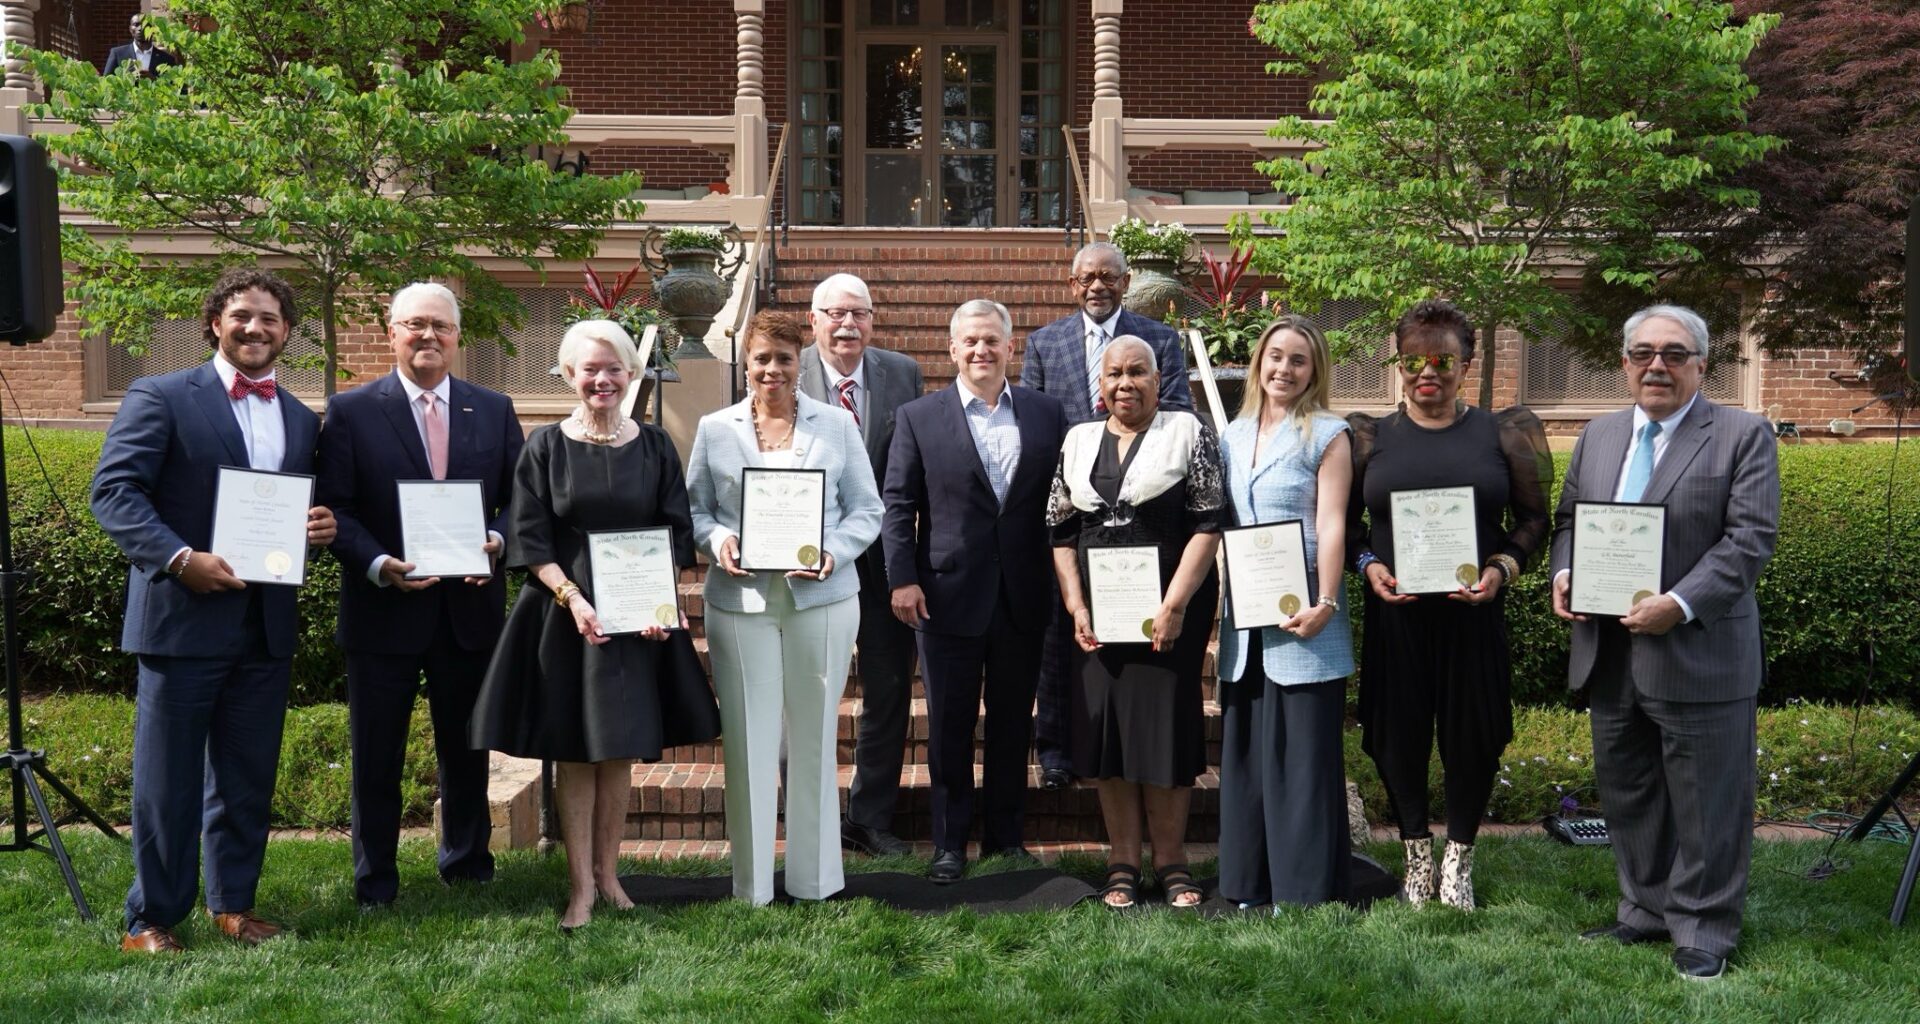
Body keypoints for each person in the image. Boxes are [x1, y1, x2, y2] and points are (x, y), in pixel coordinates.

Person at [91, 269, 338, 953]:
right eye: (241, 316)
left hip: (264, 626)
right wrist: (178, 559)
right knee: (166, 781)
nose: (255, 328)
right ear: (214, 323)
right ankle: (152, 917)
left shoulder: (298, 417)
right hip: (181, 619)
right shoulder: (162, 395)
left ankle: (233, 904)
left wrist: (317, 528)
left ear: (287, 331)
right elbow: (115, 493)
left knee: (245, 775)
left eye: (268, 317)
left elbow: (287, 511)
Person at [469, 319, 720, 932]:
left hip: (638, 618)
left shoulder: (657, 445)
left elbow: (674, 531)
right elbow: (530, 540)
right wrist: (575, 599)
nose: (602, 379)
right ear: (569, 375)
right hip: (565, 616)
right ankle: (579, 887)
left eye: (614, 368)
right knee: (577, 752)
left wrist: (661, 606)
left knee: (619, 749)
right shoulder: (544, 447)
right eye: (590, 369)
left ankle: (611, 876)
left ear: (631, 373)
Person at [1552, 305, 1779, 980]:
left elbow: (1749, 540)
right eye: (1644, 353)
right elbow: (1570, 519)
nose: (1658, 365)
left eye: (1675, 354)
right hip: (1609, 648)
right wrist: (1566, 571)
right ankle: (1645, 911)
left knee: (1709, 802)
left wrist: (1677, 605)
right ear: (1624, 364)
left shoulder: (1742, 434)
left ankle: (1704, 928)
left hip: (1697, 649)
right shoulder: (1598, 435)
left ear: (1702, 365)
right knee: (1630, 790)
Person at [315, 283, 524, 910]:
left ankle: (466, 865)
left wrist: (494, 537)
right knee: (376, 753)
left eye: (440, 326)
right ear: (391, 332)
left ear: (457, 337)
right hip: (384, 608)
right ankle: (375, 880)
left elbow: (521, 501)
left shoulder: (493, 407)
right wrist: (379, 563)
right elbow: (337, 508)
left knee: (467, 748)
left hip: (469, 609)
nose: (428, 337)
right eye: (414, 325)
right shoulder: (350, 410)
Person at [1347, 299, 1552, 910]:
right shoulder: (1369, 437)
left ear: (1468, 363)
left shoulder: (1503, 432)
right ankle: (1416, 855)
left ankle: (1458, 859)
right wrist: (1369, 566)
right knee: (1396, 736)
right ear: (1399, 364)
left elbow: (1536, 519)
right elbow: (1347, 527)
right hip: (1398, 616)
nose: (1426, 373)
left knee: (1474, 736)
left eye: (1442, 360)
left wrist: (1502, 567)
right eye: (1413, 362)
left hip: (1473, 616)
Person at [687, 310, 883, 905]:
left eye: (784, 359)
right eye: (761, 359)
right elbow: (696, 511)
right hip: (741, 602)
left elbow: (867, 510)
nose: (772, 370)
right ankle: (751, 887)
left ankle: (815, 879)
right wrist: (720, 542)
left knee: (815, 737)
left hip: (821, 597)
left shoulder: (836, 426)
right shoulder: (715, 428)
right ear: (745, 364)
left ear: (802, 364)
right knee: (748, 739)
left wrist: (833, 551)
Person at [881, 300, 1069, 883]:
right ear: (952, 349)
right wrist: (902, 577)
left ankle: (1005, 839)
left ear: (1011, 347)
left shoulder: (1046, 414)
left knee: (1013, 723)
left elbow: (1062, 504)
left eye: (993, 340)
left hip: (1023, 595)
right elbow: (899, 504)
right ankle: (948, 844)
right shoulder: (918, 416)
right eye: (971, 341)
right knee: (950, 727)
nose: (982, 350)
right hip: (945, 595)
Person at [1047, 335, 1222, 909]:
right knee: (1108, 734)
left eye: (1137, 373)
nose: (1125, 384)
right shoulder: (1077, 440)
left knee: (1165, 729)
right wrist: (1075, 605)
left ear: (1157, 377)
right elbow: (1061, 532)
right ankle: (1122, 859)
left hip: (1170, 611)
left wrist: (1173, 607)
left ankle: (1171, 862)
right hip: (1099, 614)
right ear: (1101, 383)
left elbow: (1208, 522)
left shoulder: (1188, 431)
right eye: (1114, 374)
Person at [1023, 241, 1193, 791]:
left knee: (1131, 650)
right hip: (1078, 507)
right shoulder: (1045, 343)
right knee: (1060, 634)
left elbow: (1179, 413)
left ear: (1127, 282)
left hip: (1148, 513)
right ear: (1072, 286)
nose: (1098, 286)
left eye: (1109, 277)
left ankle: (1128, 751)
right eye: (1087, 278)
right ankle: (1055, 751)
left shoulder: (1161, 339)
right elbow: (1034, 425)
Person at [1215, 316, 1355, 908]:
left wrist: (1326, 601)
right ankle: (1247, 885)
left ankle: (1304, 891)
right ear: (1258, 362)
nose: (1284, 369)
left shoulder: (1329, 432)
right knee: (1246, 757)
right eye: (1276, 356)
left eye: (1299, 360)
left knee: (1302, 762)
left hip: (1306, 618)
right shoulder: (1230, 433)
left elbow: (1331, 522)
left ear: (1314, 370)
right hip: (1245, 619)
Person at [798, 273, 924, 857]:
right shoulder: (781, 369)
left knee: (890, 687)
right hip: (801, 559)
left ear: (873, 321)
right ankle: (810, 814)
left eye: (860, 314)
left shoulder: (902, 373)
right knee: (805, 690)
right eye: (836, 313)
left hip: (878, 562)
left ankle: (869, 816)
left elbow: (907, 468)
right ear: (814, 318)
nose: (848, 325)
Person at [103, 14, 179, 79]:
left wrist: (153, 79)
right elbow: (107, 82)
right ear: (130, 29)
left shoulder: (166, 58)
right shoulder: (118, 54)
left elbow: (173, 87)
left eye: (145, 25)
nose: (140, 28)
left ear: (152, 30)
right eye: (136, 25)